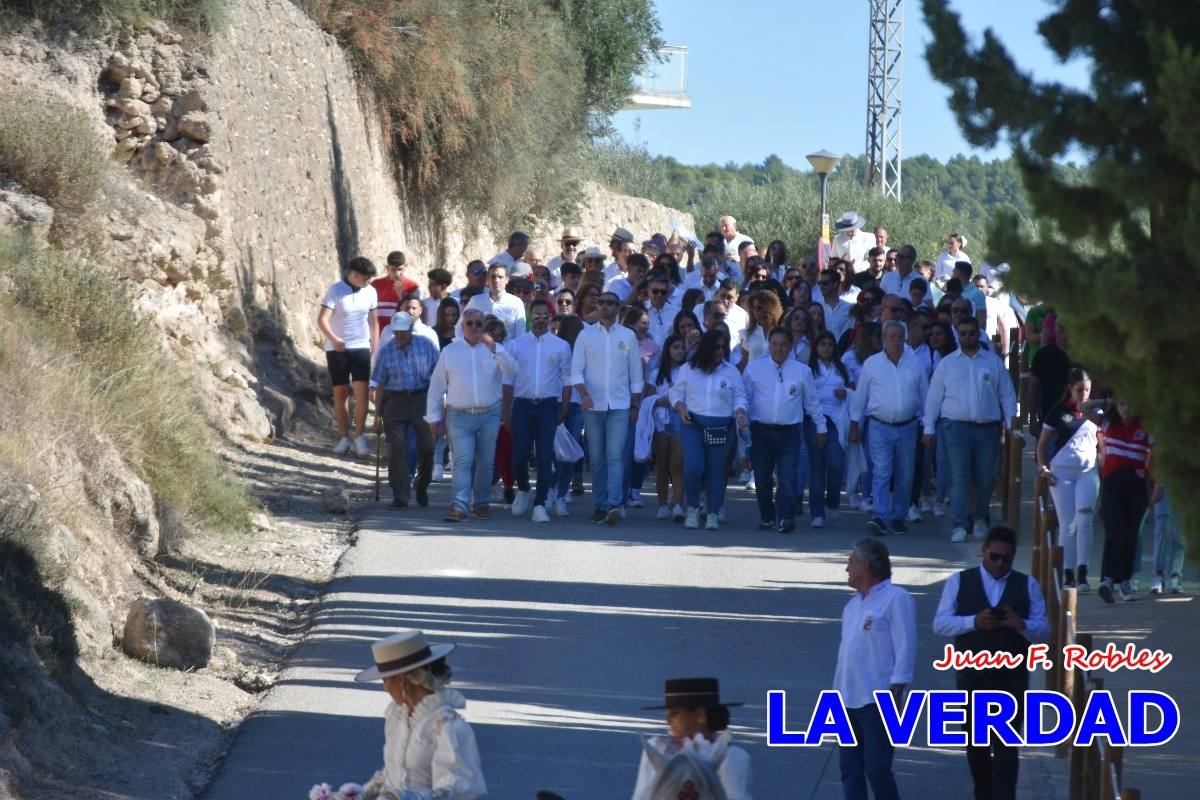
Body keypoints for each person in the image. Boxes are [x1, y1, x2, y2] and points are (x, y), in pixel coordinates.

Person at [933, 525, 1050, 800]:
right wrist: (972, 621)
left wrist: (1022, 625)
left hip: (1011, 680)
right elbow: (940, 624)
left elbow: (1044, 630)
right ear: (983, 551)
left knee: (1007, 748)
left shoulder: (1027, 584)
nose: (999, 564)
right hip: (972, 678)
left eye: (1006, 559)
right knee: (976, 747)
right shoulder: (959, 581)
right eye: (994, 556)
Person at [355, 629, 486, 800]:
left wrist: (408, 798)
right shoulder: (397, 717)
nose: (385, 688)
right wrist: (361, 794)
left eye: (386, 680)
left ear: (403, 680)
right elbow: (394, 772)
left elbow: (457, 787)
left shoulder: (448, 725)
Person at [923, 316, 1017, 543]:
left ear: (978, 333)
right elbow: (934, 398)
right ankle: (958, 524)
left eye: (971, 333)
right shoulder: (947, 364)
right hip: (955, 428)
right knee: (959, 477)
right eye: (963, 333)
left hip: (987, 429)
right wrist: (928, 428)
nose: (967, 337)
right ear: (957, 335)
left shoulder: (992, 362)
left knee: (985, 478)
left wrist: (1011, 426)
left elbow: (1007, 395)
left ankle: (980, 519)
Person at [834, 539, 916, 800]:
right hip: (847, 700)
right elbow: (847, 655)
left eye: (851, 561)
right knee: (850, 770)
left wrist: (898, 686)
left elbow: (906, 644)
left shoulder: (896, 598)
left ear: (866, 565)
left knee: (877, 768)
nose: (847, 568)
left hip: (879, 699)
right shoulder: (852, 606)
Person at [427, 307, 516, 522]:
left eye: (479, 323)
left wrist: (495, 347)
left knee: (486, 462)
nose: (475, 327)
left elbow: (512, 371)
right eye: (470, 323)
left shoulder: (495, 349)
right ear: (462, 326)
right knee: (463, 461)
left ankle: (482, 503)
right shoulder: (450, 351)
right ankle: (459, 505)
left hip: (490, 414)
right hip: (459, 415)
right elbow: (437, 386)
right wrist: (433, 417)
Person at [571, 291, 643, 525]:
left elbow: (636, 374)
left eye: (610, 303)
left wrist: (635, 405)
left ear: (618, 307)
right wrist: (583, 394)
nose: (605, 307)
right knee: (598, 459)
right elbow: (576, 371)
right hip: (592, 405)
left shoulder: (628, 336)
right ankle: (600, 505)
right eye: (601, 302)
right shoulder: (585, 335)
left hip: (620, 405)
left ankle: (614, 504)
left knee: (615, 455)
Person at [850, 321, 928, 536]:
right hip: (879, 425)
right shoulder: (871, 364)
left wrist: (929, 427)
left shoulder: (915, 364)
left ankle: (898, 517)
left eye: (900, 336)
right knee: (882, 471)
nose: (896, 340)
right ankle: (880, 516)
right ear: (883, 339)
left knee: (905, 474)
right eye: (891, 336)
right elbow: (860, 397)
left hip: (908, 427)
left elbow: (925, 396)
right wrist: (855, 424)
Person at [743, 327, 824, 533]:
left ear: (790, 347)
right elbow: (744, 397)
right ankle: (768, 516)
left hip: (790, 432)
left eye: (783, 345)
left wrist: (821, 427)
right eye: (774, 344)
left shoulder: (802, 371)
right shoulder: (754, 369)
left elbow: (812, 403)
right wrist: (741, 416)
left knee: (788, 477)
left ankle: (786, 517)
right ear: (769, 345)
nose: (778, 349)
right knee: (762, 477)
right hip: (761, 430)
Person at [670, 329, 748, 530]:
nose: (720, 351)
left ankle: (713, 511)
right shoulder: (688, 368)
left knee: (716, 471)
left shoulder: (731, 370)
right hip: (693, 424)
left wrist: (740, 412)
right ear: (706, 347)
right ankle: (693, 508)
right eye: (716, 347)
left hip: (722, 426)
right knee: (694, 466)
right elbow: (676, 392)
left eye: (723, 347)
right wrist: (681, 408)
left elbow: (740, 396)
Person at [503, 298, 572, 524]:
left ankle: (540, 503)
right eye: (537, 315)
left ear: (550, 318)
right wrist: (506, 410)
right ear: (530, 317)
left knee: (544, 457)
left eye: (545, 316)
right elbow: (508, 379)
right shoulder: (516, 345)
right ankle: (523, 488)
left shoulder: (561, 346)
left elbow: (567, 378)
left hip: (548, 407)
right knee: (519, 456)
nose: (541, 320)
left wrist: (563, 406)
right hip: (522, 406)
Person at [1035, 368, 1105, 590]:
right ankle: (1067, 573)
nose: (1084, 394)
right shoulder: (1058, 411)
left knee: (1085, 521)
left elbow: (1103, 442)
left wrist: (1103, 461)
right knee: (1068, 525)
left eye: (1087, 390)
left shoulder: (1096, 413)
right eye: (1079, 390)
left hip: (1087, 472)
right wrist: (1043, 467)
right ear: (1070, 389)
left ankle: (1083, 572)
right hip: (1061, 473)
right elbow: (1042, 444)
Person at [632, 678, 753, 800]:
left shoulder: (732, 757)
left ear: (700, 715)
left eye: (674, 713)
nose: (668, 721)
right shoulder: (658, 749)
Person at [370, 314, 438, 509]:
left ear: (410, 329)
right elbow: (380, 384)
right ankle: (400, 494)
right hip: (395, 402)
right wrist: (377, 415)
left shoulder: (426, 345)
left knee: (427, 448)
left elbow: (438, 377)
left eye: (403, 331)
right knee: (396, 449)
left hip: (421, 400)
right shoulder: (386, 351)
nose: (399, 335)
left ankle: (422, 485)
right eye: (396, 331)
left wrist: (439, 403)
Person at [318, 256, 380, 456]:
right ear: (353, 275)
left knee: (361, 390)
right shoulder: (335, 290)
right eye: (365, 278)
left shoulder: (371, 291)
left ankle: (359, 436)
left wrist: (375, 349)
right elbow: (322, 320)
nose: (369, 281)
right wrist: (334, 339)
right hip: (336, 349)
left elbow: (374, 323)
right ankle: (344, 437)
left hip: (360, 346)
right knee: (340, 392)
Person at [1097, 400, 1153, 603]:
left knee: (1131, 535)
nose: (1126, 408)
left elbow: (1154, 457)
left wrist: (1156, 486)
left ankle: (1125, 583)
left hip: (1137, 484)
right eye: (1122, 404)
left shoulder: (1146, 427)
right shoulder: (1108, 423)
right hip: (1113, 482)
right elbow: (1084, 409)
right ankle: (1107, 580)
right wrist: (1106, 402)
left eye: (1129, 404)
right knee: (1114, 531)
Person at [809, 331, 851, 527]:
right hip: (814, 420)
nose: (826, 347)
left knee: (836, 464)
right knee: (817, 467)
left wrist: (846, 393)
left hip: (837, 420)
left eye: (830, 344)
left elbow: (853, 391)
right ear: (816, 347)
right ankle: (816, 513)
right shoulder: (809, 369)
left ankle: (833, 502)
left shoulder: (841, 368)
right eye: (823, 344)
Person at [652, 334, 687, 522]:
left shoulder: (690, 371)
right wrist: (661, 400)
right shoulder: (656, 374)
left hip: (681, 421)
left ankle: (679, 504)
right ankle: (663, 504)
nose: (680, 351)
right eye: (675, 347)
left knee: (677, 465)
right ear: (667, 350)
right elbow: (648, 397)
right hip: (661, 422)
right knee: (662, 464)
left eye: (682, 347)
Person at [464, 262, 526, 341]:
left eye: (500, 277)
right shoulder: (475, 301)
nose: (496, 280)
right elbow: (461, 327)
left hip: (507, 351)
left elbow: (520, 334)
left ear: (507, 279)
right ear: (487, 279)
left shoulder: (516, 303)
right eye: (493, 277)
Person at [372, 251, 421, 333]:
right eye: (393, 269)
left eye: (400, 269)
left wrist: (401, 296)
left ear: (406, 266)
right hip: (380, 335)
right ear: (387, 268)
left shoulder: (413, 287)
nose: (397, 273)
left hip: (403, 335)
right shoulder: (375, 285)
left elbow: (414, 315)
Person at [1150, 489, 1184, 594]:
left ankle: (1175, 576)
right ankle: (1158, 576)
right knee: (1161, 528)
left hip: (1184, 485)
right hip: (1164, 483)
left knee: (1180, 532)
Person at [644, 270, 681, 346]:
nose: (659, 295)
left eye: (663, 292)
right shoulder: (640, 311)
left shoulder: (677, 313)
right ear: (648, 290)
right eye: (655, 291)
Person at [816, 268, 855, 340]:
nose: (821, 286)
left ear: (835, 284)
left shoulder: (849, 308)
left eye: (825, 283)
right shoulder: (816, 307)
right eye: (819, 283)